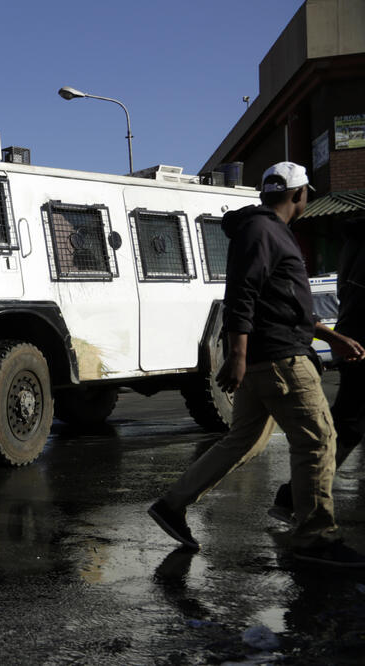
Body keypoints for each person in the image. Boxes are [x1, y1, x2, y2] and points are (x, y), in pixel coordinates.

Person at [148, 161, 365, 567]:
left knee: (244, 440)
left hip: (271, 355)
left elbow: (281, 304)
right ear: (299, 195)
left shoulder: (267, 230)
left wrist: (331, 336)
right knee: (319, 440)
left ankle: (172, 505)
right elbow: (241, 294)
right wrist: (237, 356)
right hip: (280, 360)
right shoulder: (263, 231)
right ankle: (314, 537)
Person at [270, 215, 365, 523]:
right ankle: (297, 501)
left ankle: (293, 498)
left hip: (355, 338)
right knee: (348, 425)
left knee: (348, 424)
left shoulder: (354, 241)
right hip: (360, 344)